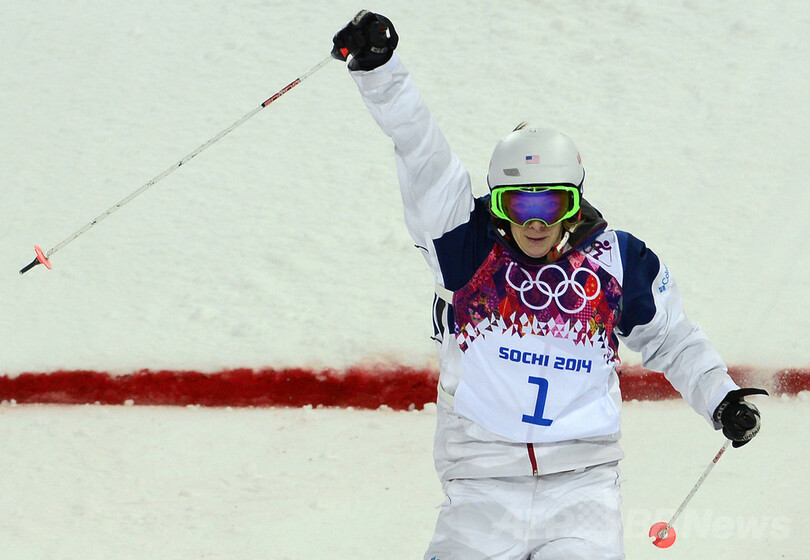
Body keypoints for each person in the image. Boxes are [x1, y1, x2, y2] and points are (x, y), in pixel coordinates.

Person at [332, 11, 767, 560]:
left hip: (582, 491)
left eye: (551, 203)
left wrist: (721, 399)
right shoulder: (466, 249)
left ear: (575, 202)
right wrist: (380, 71)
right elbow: (422, 150)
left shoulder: (618, 262)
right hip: (480, 491)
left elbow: (674, 340)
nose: (535, 223)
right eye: (519, 203)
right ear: (496, 204)